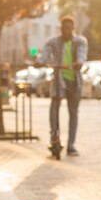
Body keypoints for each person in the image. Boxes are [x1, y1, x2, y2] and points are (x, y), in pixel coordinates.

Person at [35, 16, 87, 157]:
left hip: (74, 80)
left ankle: (71, 145)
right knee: (54, 107)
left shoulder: (80, 41)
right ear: (61, 28)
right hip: (59, 78)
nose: (66, 31)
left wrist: (79, 62)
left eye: (69, 28)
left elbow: (82, 55)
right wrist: (40, 62)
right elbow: (44, 55)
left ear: (73, 28)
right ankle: (54, 138)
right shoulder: (53, 42)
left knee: (73, 112)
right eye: (64, 28)